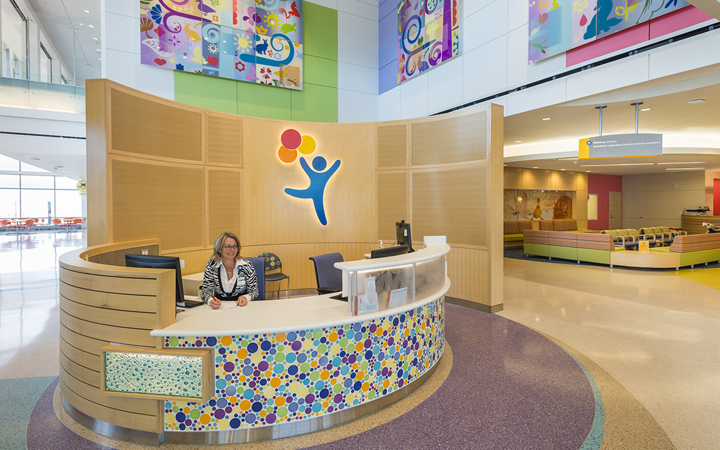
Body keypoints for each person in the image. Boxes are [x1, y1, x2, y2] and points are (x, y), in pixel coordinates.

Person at [200, 232, 259, 309]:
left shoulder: (246, 265)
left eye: (235, 246)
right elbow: (205, 292)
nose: (232, 250)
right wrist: (210, 300)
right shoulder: (212, 266)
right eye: (228, 246)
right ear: (219, 249)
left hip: (242, 308)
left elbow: (254, 292)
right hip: (219, 308)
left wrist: (246, 298)